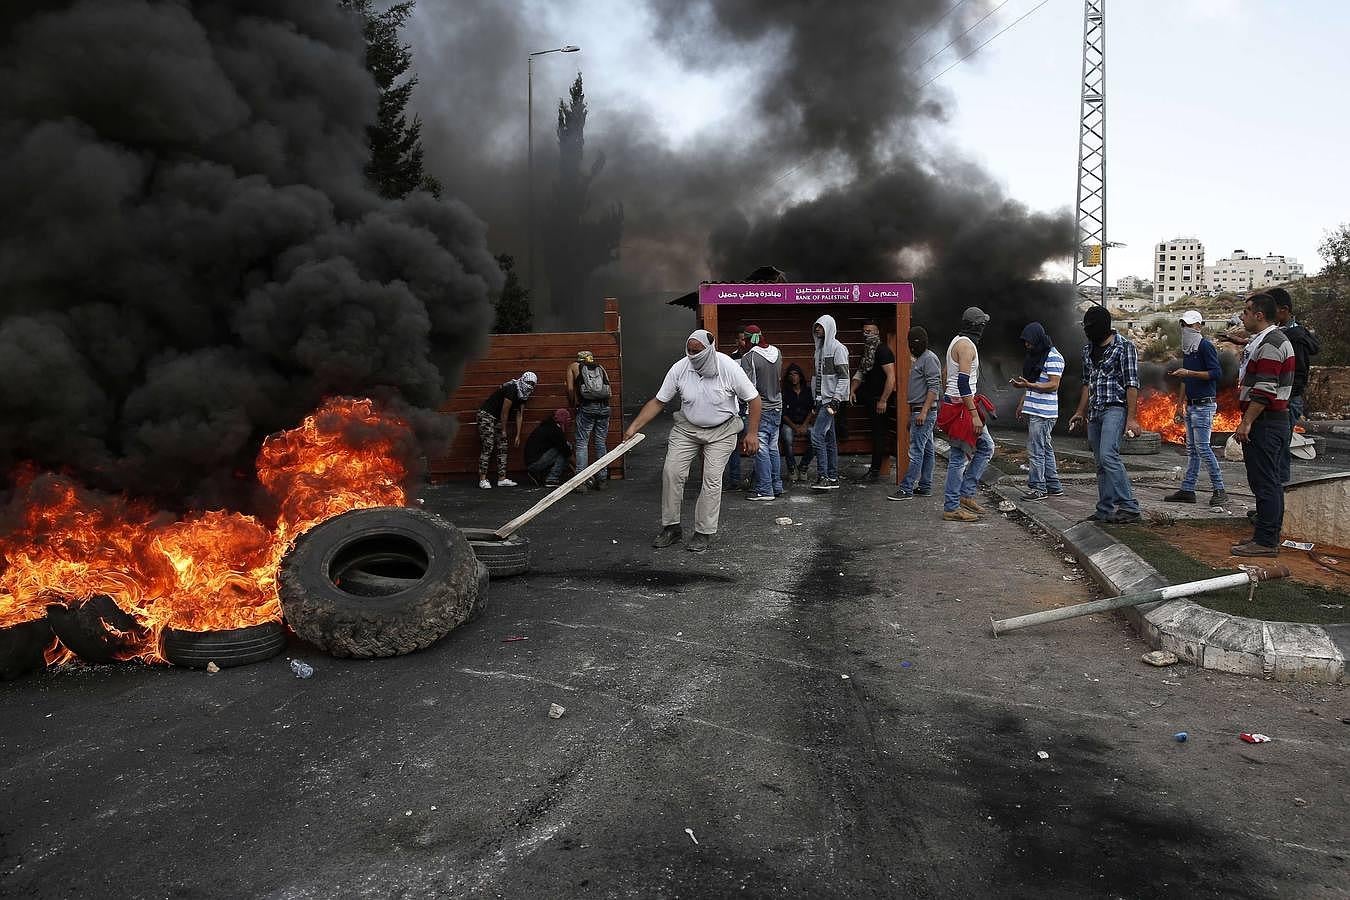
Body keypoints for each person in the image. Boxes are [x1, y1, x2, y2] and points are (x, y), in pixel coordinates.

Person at [625, 330, 761, 553]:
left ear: (709, 349)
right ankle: (671, 528)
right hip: (687, 428)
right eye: (689, 350)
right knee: (672, 472)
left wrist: (752, 433)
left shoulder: (727, 367)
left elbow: (754, 400)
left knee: (712, 478)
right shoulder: (680, 368)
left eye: (698, 351)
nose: (693, 355)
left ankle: (703, 532)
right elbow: (659, 402)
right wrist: (633, 428)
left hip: (723, 430)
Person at [1230, 293, 1295, 556]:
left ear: (1259, 315)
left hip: (1266, 423)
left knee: (1266, 481)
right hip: (1269, 421)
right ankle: (1264, 535)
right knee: (1264, 480)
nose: (1242, 316)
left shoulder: (1271, 343)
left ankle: (1267, 541)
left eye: (1246, 311)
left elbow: (1265, 390)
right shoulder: (1266, 341)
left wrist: (1246, 423)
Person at [1068, 306, 1141, 524]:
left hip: (1115, 408)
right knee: (1100, 461)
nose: (1088, 332)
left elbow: (1132, 384)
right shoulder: (1087, 350)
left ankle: (1129, 507)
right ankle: (1105, 509)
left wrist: (1132, 418)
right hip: (1095, 410)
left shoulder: (1124, 347)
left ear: (1104, 326)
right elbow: (1087, 383)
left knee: (1109, 455)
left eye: (1091, 327)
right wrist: (1080, 411)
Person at [936, 307, 995, 522]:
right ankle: (952, 506)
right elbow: (962, 382)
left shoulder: (956, 341)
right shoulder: (966, 347)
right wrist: (973, 413)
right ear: (977, 326)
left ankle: (966, 494)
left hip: (956, 403)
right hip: (963, 407)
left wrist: (948, 397)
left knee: (985, 447)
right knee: (959, 457)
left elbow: (945, 374)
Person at [1164, 310, 1226, 506]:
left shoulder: (1205, 346)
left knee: (1202, 448)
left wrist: (1189, 372)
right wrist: (1179, 405)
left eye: (1190, 325)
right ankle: (1188, 489)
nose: (1186, 328)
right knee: (1192, 450)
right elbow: (1185, 379)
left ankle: (1220, 489)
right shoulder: (1189, 349)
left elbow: (1216, 373)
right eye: (1184, 325)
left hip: (1204, 405)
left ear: (1199, 326)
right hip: (1191, 406)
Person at [1270, 287, 1320, 485]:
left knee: (1279, 449)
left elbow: (1297, 373)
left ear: (1283, 310)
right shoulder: (1289, 332)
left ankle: (1279, 499)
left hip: (1288, 399)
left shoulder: (1295, 338)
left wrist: (1287, 397)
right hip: (1286, 398)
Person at [1010, 322, 1065, 502]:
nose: (1027, 345)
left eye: (1029, 341)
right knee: (1045, 449)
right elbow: (1031, 382)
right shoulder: (1037, 356)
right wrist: (1022, 402)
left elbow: (1053, 384)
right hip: (1035, 410)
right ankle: (1053, 485)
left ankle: (1038, 488)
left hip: (1044, 414)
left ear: (1037, 339)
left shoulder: (1053, 357)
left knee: (1036, 450)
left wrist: (1029, 385)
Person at [888, 326, 941, 501]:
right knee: (926, 450)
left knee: (916, 451)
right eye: (910, 343)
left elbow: (934, 387)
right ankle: (925, 485)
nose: (912, 346)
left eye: (915, 343)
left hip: (923, 410)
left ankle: (907, 488)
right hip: (918, 411)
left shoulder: (929, 359)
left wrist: (923, 412)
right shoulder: (919, 359)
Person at [740, 325, 785, 501]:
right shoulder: (777, 352)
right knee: (773, 447)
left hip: (760, 408)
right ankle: (776, 485)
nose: (742, 342)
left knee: (761, 449)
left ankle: (765, 489)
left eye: (744, 338)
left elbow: (748, 387)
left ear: (749, 338)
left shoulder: (749, 357)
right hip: (777, 406)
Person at [849, 319, 897, 482]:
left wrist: (883, 400)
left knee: (878, 435)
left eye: (869, 331)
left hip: (879, 399)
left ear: (877, 332)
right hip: (869, 397)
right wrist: (852, 390)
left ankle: (875, 471)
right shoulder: (867, 351)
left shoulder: (883, 351)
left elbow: (891, 377)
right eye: (865, 331)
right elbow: (861, 373)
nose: (866, 334)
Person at [809, 314, 850, 490]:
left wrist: (836, 399)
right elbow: (817, 377)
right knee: (829, 438)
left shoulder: (837, 348)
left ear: (828, 328)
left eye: (820, 327)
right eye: (816, 327)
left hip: (830, 401)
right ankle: (832, 477)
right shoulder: (818, 349)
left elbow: (844, 377)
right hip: (821, 400)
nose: (817, 329)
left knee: (817, 435)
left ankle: (823, 476)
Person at [477, 371, 535, 489]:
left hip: (498, 418)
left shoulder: (524, 395)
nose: (530, 386)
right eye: (528, 382)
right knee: (488, 445)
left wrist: (518, 435)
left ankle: (502, 479)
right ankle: (482, 479)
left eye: (532, 384)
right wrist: (503, 430)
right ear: (523, 380)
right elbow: (505, 411)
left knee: (503, 446)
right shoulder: (512, 389)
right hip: (487, 415)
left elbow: (519, 414)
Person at [566, 350, 612, 492]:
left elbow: (570, 388)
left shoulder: (573, 366)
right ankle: (602, 479)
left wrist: (573, 403)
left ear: (578, 359)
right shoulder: (600, 367)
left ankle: (581, 482)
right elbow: (609, 389)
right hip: (604, 408)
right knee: (600, 443)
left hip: (586, 408)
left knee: (582, 443)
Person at [780, 363, 815, 483]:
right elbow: (783, 414)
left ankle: (804, 466)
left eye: (795, 374)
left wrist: (805, 425)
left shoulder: (807, 391)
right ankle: (791, 468)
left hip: (805, 423)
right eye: (791, 375)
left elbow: (812, 410)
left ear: (800, 376)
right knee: (787, 439)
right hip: (790, 423)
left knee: (816, 438)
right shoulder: (785, 392)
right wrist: (795, 427)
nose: (793, 377)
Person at [524, 408, 573, 487]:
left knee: (563, 447)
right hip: (535, 463)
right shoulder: (555, 430)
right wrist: (579, 469)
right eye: (567, 419)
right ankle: (552, 479)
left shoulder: (547, 426)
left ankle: (538, 473)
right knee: (566, 447)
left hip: (532, 462)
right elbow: (566, 451)